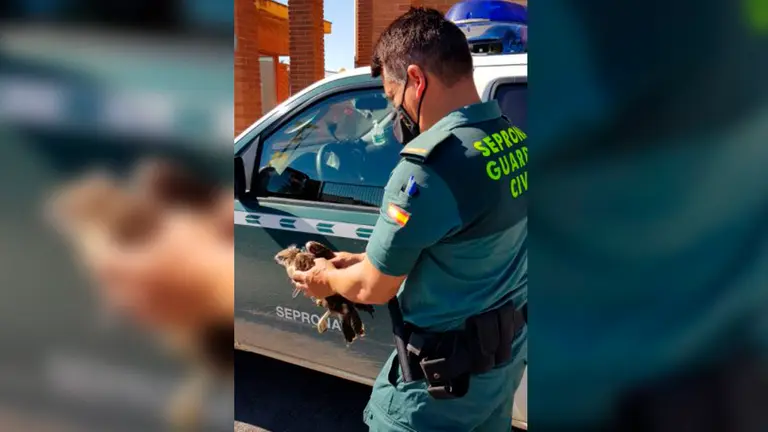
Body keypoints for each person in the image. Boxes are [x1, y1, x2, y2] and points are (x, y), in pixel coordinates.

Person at [290, 7, 528, 432]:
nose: (392, 110)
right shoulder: (515, 141)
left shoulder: (428, 170)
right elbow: (458, 248)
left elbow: (372, 287)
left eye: (390, 95)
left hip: (435, 395)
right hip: (495, 377)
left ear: (416, 80)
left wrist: (324, 278)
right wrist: (360, 259)